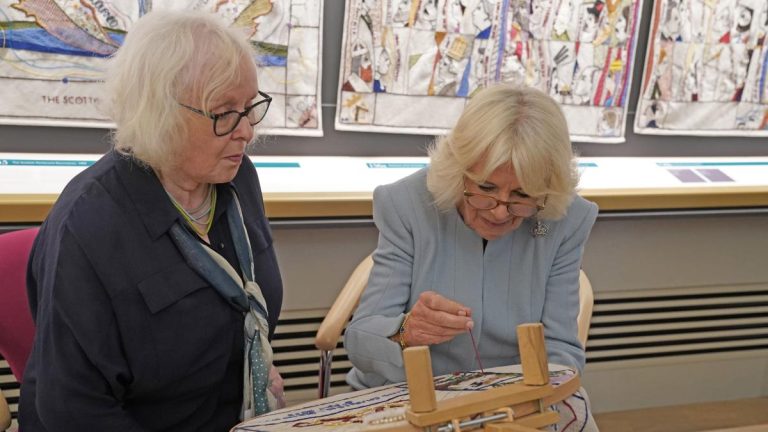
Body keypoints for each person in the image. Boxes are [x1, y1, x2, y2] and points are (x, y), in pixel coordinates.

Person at [20, 10, 284, 431]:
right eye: (225, 112)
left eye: (250, 106)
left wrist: (253, 372)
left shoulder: (238, 177)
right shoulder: (89, 224)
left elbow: (239, 308)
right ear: (161, 113)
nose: (247, 131)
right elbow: (73, 410)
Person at [344, 84, 599, 428]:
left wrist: (520, 405)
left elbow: (561, 350)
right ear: (459, 170)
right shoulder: (407, 203)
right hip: (409, 401)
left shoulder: (566, 219)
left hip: (512, 403)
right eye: (486, 189)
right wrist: (406, 332)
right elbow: (360, 341)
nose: (498, 212)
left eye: (522, 196)